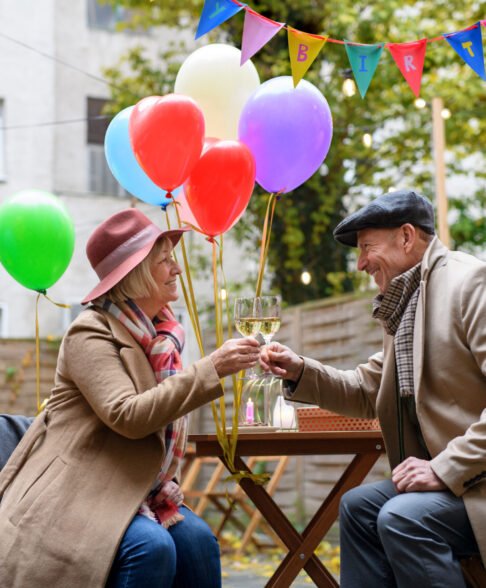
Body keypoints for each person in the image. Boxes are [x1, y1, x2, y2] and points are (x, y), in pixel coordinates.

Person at [0, 208, 260, 588]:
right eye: (165, 261)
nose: (177, 269)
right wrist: (211, 369)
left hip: (136, 489)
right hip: (81, 490)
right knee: (152, 547)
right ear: (136, 274)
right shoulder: (89, 333)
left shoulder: (163, 338)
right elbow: (128, 416)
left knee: (199, 542)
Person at [260, 189, 486, 588]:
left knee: (401, 517)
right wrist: (298, 370)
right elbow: (368, 390)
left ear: (406, 236)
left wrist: (442, 467)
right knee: (358, 506)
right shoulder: (406, 302)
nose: (361, 263)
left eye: (367, 248)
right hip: (452, 484)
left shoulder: (469, 284)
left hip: (476, 480)